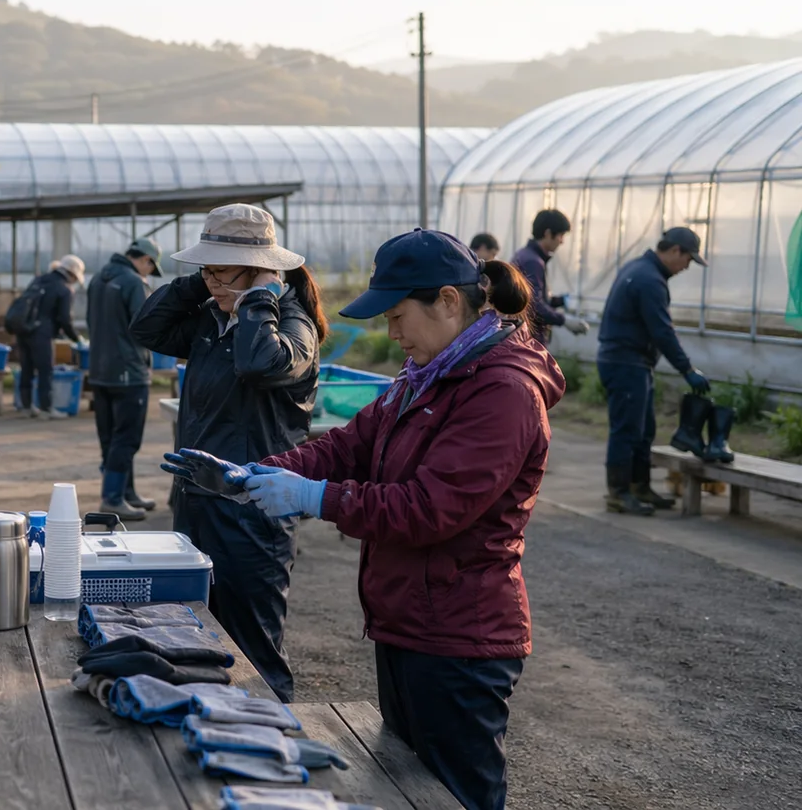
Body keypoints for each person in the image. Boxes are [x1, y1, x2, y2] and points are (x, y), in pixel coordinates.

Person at [173, 228, 562, 810]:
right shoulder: (426, 375)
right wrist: (254, 473)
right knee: (409, 787)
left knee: (458, 794)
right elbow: (345, 446)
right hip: (408, 619)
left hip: (460, 634)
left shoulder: (502, 391)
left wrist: (314, 498)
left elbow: (431, 510)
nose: (393, 332)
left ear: (449, 302)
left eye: (399, 315)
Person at [130, 204, 323, 702]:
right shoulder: (209, 321)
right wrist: (203, 286)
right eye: (206, 268)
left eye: (222, 269)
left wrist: (258, 298)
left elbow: (261, 363)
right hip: (197, 499)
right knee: (198, 631)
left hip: (251, 509)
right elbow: (145, 329)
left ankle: (274, 746)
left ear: (263, 269)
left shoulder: (292, 324)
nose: (212, 280)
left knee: (254, 648)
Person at [595, 227, 710, 516]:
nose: (686, 267)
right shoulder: (649, 280)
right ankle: (619, 493)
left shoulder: (641, 269)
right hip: (626, 362)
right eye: (687, 260)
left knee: (644, 429)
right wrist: (687, 369)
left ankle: (639, 485)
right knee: (627, 429)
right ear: (674, 251)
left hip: (630, 361)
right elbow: (662, 331)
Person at [86, 237, 164, 520]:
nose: (148, 274)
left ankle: (126, 492)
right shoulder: (134, 283)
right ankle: (113, 498)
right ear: (146, 260)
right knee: (127, 438)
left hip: (100, 371)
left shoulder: (97, 280)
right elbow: (144, 327)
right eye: (150, 268)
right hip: (129, 372)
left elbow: (91, 323)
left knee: (110, 437)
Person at [16, 254, 85, 419]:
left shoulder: (39, 280)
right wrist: (76, 338)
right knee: (45, 371)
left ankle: (26, 407)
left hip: (23, 330)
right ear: (73, 274)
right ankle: (46, 409)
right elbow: (64, 319)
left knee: (26, 369)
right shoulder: (64, 288)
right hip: (42, 334)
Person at [511, 209, 588, 343]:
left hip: (520, 336)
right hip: (529, 340)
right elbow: (534, 305)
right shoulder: (533, 262)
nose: (562, 241)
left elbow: (530, 297)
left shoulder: (525, 255)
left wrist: (559, 301)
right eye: (561, 235)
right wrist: (564, 320)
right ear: (548, 233)